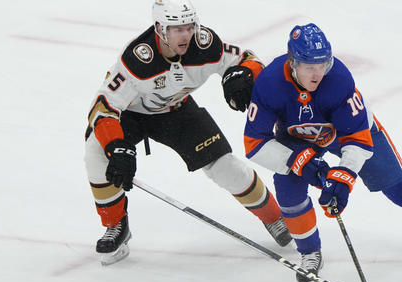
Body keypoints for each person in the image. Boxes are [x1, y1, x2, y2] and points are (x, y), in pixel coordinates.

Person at [243, 23, 402, 282]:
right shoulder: (270, 83)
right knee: (289, 191)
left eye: (323, 63)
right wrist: (302, 163)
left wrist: (342, 179)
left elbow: (357, 139)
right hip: (298, 138)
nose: (318, 72)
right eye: (310, 66)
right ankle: (310, 253)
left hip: (347, 132)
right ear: (292, 62)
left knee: (396, 184)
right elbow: (254, 142)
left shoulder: (339, 79)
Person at [84, 0, 292, 266]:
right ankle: (116, 225)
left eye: (189, 26)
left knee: (225, 167)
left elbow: (248, 59)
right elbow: (103, 107)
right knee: (96, 152)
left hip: (176, 111)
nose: (186, 35)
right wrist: (116, 146)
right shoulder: (138, 59)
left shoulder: (205, 44)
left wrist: (243, 74)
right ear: (160, 28)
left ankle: (275, 217)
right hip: (130, 116)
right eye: (177, 29)